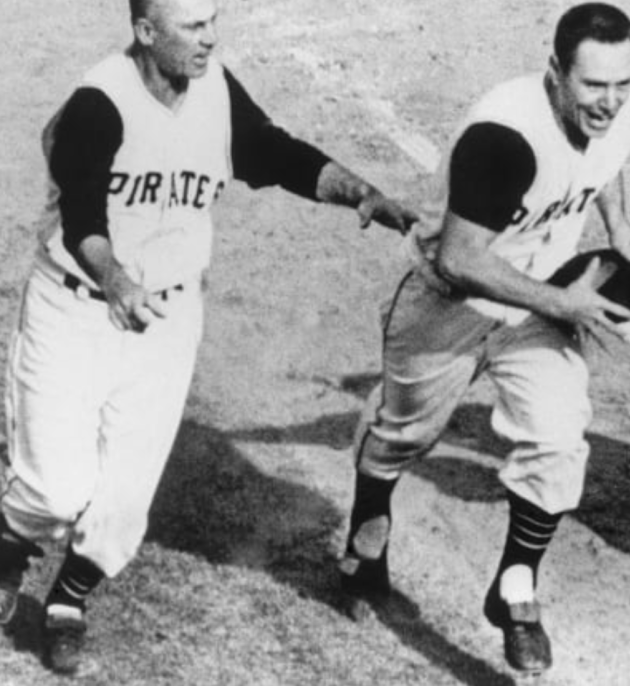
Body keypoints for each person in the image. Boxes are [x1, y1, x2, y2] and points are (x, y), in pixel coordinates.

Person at [0, 0, 416, 675]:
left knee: (124, 502)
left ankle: (69, 600)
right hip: (77, 305)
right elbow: (82, 216)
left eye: (212, 20)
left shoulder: (214, 88)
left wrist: (356, 189)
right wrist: (115, 279)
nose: (210, 37)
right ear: (145, 32)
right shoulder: (98, 103)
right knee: (52, 488)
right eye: (193, 26)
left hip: (166, 317)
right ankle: (10, 549)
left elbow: (271, 151)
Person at [337, 2, 630, 675]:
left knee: (560, 435)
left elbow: (612, 152)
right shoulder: (504, 137)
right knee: (402, 435)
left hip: (535, 310)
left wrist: (619, 227)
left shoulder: (626, 105)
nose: (610, 100)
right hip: (447, 302)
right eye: (593, 85)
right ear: (555, 74)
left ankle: (515, 588)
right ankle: (368, 532)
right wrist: (562, 299)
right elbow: (460, 258)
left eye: (622, 82)